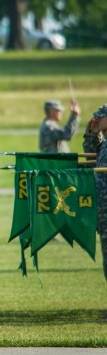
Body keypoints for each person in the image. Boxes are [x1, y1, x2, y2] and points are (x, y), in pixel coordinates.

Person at [82, 104, 107, 281]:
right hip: (102, 211)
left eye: (101, 116)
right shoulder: (104, 144)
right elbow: (90, 156)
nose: (96, 119)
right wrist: (91, 133)